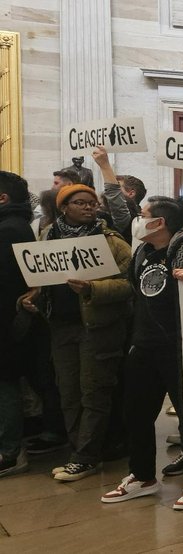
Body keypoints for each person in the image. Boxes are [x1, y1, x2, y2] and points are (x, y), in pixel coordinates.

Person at [101, 197, 183, 510]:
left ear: (160, 223)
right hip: (144, 345)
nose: (138, 221)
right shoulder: (142, 252)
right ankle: (142, 476)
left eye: (143, 216)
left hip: (181, 348)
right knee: (137, 413)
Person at [17, 175, 132, 482]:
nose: (89, 208)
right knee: (68, 392)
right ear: (63, 207)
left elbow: (130, 284)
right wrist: (35, 299)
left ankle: (86, 456)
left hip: (98, 328)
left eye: (93, 203)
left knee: (94, 392)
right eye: (81, 203)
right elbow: (44, 283)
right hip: (61, 327)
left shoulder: (111, 242)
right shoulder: (48, 239)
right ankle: (78, 449)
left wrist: (93, 288)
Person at [0, 171, 35, 478]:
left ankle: (9, 451)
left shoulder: (10, 229)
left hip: (6, 321)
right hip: (10, 318)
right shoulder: (14, 225)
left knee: (5, 384)